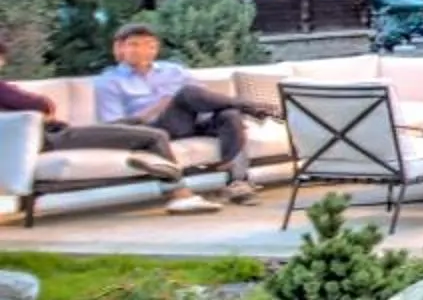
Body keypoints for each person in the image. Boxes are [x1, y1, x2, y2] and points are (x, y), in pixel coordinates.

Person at [93, 24, 261, 204]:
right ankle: (250, 106)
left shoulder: (173, 70)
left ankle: (238, 182)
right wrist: (157, 108)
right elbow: (116, 126)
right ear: (120, 48)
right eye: (134, 45)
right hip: (156, 129)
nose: (143, 50)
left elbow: (204, 98)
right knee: (186, 92)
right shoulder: (109, 81)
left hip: (191, 121)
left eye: (150, 45)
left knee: (229, 115)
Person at [0, 74, 205, 212]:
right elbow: (41, 104)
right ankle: (180, 195)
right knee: (155, 136)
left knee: (133, 123)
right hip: (54, 137)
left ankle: (151, 158)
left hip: (48, 137)